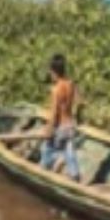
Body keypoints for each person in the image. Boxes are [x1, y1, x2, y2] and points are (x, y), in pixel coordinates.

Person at [40, 53, 83, 181]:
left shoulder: (56, 89)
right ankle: (74, 174)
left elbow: (54, 113)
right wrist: (79, 118)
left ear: (53, 71)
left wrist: (48, 130)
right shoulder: (71, 84)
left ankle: (43, 172)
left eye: (50, 72)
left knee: (46, 149)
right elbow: (81, 102)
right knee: (69, 150)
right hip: (70, 125)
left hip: (61, 128)